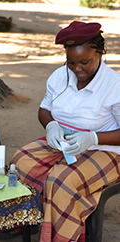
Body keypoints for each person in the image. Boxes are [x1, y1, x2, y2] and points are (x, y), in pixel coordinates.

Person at [10, 21, 120, 242]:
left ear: (99, 53)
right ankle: (29, 220)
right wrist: (51, 126)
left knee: (60, 180)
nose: (77, 68)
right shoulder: (59, 76)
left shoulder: (114, 85)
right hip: (62, 142)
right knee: (20, 161)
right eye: (71, 62)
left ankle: (60, 236)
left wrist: (92, 137)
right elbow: (44, 109)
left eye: (84, 62)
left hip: (105, 148)